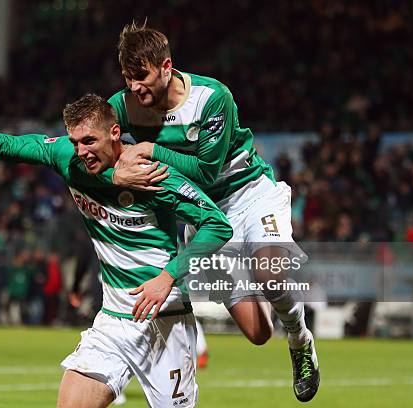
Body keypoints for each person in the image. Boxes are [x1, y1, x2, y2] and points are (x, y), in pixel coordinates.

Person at [0, 93, 232, 408]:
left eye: (89, 140)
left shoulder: (152, 175)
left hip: (163, 319)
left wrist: (169, 276)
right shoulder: (68, 158)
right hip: (114, 320)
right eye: (75, 141)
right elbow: (13, 144)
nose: (81, 150)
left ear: (115, 132)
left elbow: (217, 225)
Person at [104, 22, 319, 402]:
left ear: (166, 66)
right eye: (127, 78)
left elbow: (206, 171)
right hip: (204, 216)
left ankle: (300, 339)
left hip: (249, 194)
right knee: (257, 333)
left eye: (142, 76)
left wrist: (152, 151)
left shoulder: (212, 97)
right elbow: (102, 149)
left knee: (270, 274)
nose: (135, 87)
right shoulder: (122, 106)